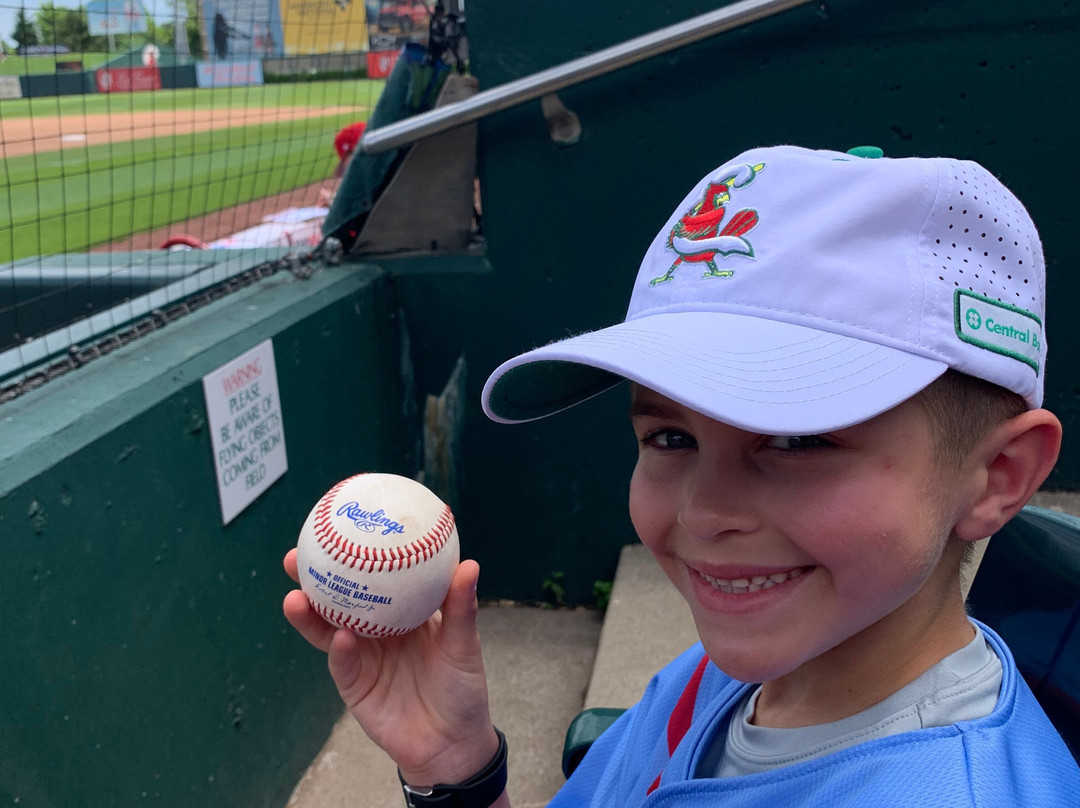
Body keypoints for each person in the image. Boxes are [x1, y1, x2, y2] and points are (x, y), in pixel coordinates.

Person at [283, 144, 1080, 806]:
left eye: (797, 440)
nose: (706, 511)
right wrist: (455, 768)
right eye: (670, 435)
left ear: (997, 476)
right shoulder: (730, 671)